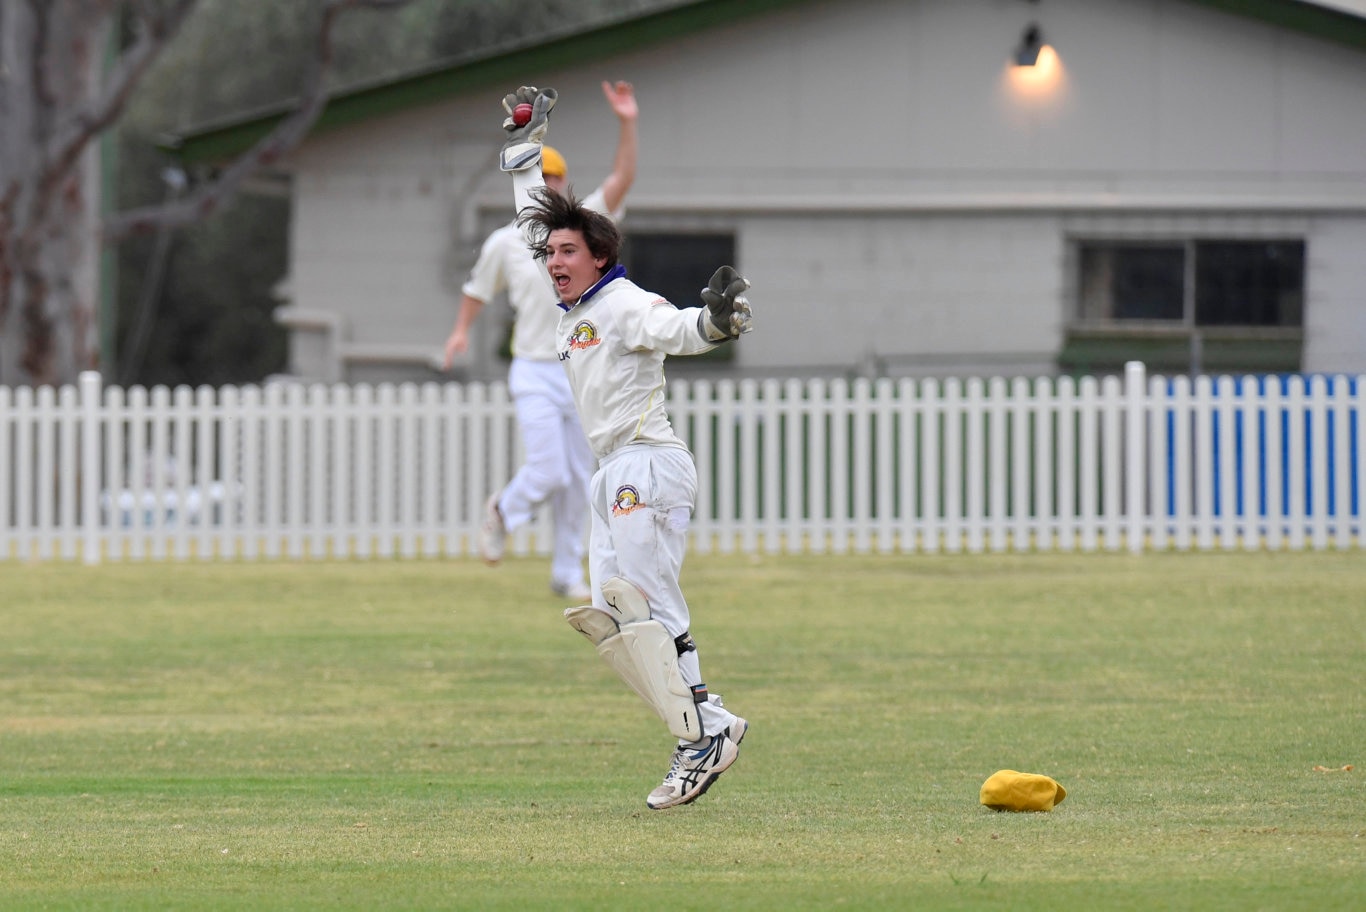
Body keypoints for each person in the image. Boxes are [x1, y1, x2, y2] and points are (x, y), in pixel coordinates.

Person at [495, 85, 755, 810]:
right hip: (612, 472)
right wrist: (524, 145)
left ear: (601, 256)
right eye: (551, 254)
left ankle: (706, 734)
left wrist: (716, 323)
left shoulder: (624, 303)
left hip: (648, 462)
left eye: (568, 253)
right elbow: (532, 224)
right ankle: (703, 727)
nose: (552, 261)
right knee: (617, 616)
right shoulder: (572, 304)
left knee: (648, 601)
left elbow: (676, 328)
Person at [444, 80, 640, 602]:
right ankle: (504, 511)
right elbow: (475, 290)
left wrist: (627, 121)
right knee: (549, 469)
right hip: (532, 367)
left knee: (580, 479)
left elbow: (622, 180)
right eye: (541, 177)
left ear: (565, 180)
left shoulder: (584, 226)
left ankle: (565, 572)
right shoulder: (509, 241)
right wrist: (461, 331)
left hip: (578, 368)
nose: (549, 185)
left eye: (556, 177)